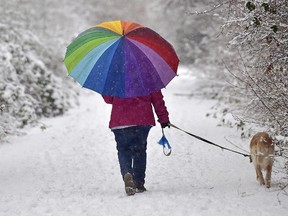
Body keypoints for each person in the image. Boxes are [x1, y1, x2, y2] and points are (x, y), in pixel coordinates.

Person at [103, 90, 170, 195]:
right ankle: (138, 183)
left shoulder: (115, 76)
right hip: (142, 118)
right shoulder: (148, 76)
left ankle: (127, 173)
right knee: (140, 150)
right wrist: (163, 118)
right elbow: (157, 99)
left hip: (121, 120)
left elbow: (108, 99)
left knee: (123, 150)